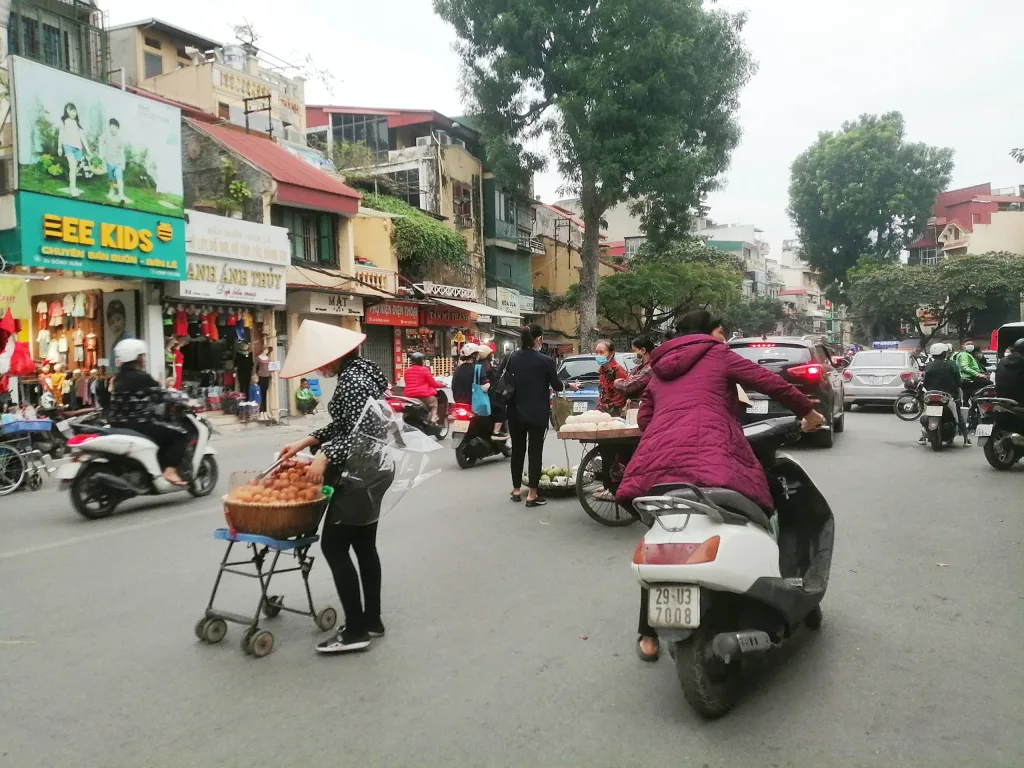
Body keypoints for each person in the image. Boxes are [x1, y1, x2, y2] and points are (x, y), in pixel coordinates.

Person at [617, 310, 824, 662]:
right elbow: (769, 383)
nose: (724, 338)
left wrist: (670, 430)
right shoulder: (716, 353)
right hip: (713, 456)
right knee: (763, 506)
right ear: (710, 333)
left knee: (668, 531)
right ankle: (768, 589)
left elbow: (644, 418)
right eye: (721, 332)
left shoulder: (659, 368)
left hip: (656, 465)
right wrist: (808, 412)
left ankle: (647, 633)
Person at [277, 320, 392, 655]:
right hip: (372, 470)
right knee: (364, 545)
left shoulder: (353, 380)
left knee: (334, 546)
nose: (319, 368)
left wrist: (325, 456)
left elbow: (362, 433)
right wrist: (307, 441)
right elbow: (346, 424)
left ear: (332, 358)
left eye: (320, 361)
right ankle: (372, 620)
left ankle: (356, 630)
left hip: (360, 473)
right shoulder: (361, 372)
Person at [505, 324, 578, 507]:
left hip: (514, 412)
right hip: (537, 413)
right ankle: (532, 495)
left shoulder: (510, 358)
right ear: (538, 339)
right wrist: (570, 386)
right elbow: (555, 383)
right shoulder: (545, 360)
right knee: (535, 452)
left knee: (518, 451)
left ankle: (515, 490)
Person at [107, 338, 189, 486]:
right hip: (140, 424)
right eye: (142, 356)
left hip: (118, 425)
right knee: (180, 434)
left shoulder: (117, 378)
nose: (144, 359)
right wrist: (185, 399)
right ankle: (170, 470)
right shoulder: (141, 377)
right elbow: (163, 395)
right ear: (137, 357)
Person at [920, 342, 969, 445]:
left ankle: (922, 437)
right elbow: (958, 381)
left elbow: (925, 382)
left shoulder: (928, 365)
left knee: (927, 413)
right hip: (949, 396)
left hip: (931, 395)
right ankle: (966, 438)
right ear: (943, 353)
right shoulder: (951, 364)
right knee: (958, 415)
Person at [57, 103, 91, 198]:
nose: (72, 112)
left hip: (77, 148)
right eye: (70, 110)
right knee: (72, 166)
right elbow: (61, 134)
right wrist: (59, 147)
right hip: (68, 146)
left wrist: (88, 150)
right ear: (66, 111)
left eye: (73, 110)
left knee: (74, 168)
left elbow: (82, 137)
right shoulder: (64, 122)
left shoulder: (77, 123)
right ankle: (73, 189)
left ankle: (72, 186)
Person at [403, 352, 445, 423]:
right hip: (422, 395)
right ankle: (433, 418)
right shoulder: (424, 370)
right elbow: (433, 383)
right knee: (434, 402)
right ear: (421, 361)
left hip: (410, 396)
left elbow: (407, 382)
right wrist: (443, 384)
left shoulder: (407, 371)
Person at [477, 344, 507, 439]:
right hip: (486, 396)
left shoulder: (474, 366)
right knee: (500, 408)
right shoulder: (487, 368)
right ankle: (496, 432)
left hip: (475, 396)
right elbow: (493, 382)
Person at [99, 118, 130, 204]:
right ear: (109, 127)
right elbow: (101, 143)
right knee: (111, 178)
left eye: (115, 128)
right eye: (112, 127)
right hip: (108, 161)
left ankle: (121, 194)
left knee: (118, 176)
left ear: (118, 129)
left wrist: (123, 163)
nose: (114, 129)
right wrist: (101, 154)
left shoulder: (120, 139)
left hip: (118, 162)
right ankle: (111, 190)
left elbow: (122, 151)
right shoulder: (106, 135)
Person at [595, 339, 628, 417]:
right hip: (602, 411)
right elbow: (603, 392)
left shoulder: (618, 369)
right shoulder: (602, 370)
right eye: (597, 352)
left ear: (611, 353)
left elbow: (622, 393)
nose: (598, 355)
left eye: (601, 352)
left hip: (615, 412)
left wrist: (610, 408)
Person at [954, 341, 989, 405]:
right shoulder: (963, 355)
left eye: (972, 344)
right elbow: (964, 367)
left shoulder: (968, 354)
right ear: (963, 346)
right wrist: (978, 374)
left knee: (967, 396)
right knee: (987, 384)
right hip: (967, 378)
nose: (970, 345)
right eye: (968, 344)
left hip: (969, 378)